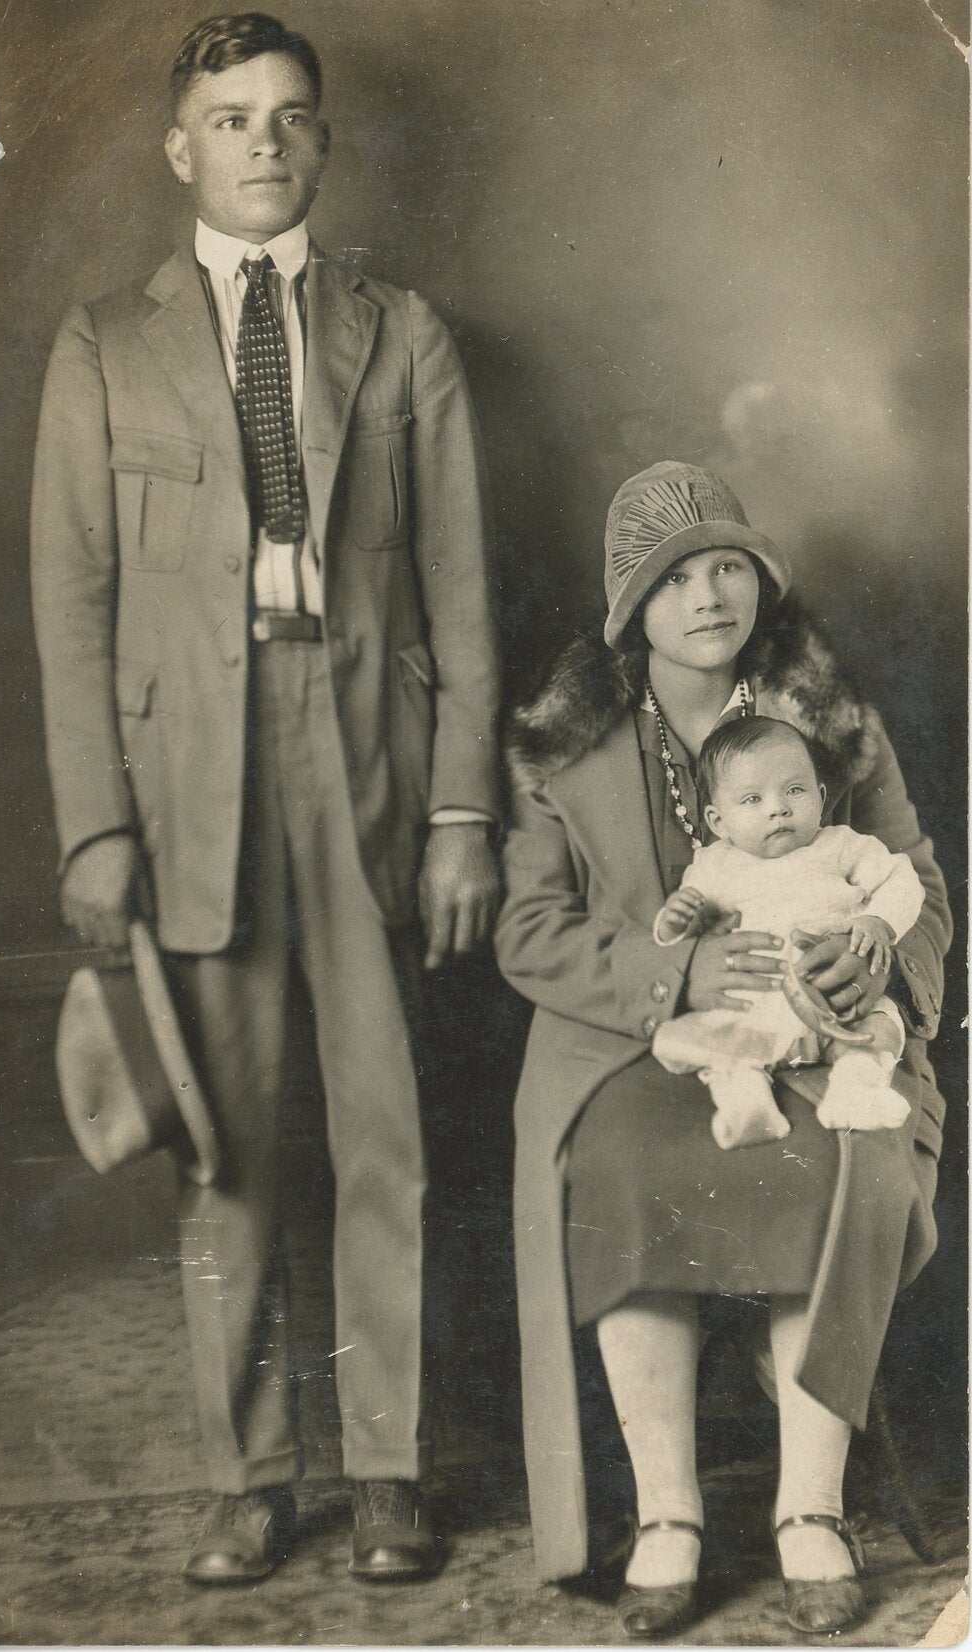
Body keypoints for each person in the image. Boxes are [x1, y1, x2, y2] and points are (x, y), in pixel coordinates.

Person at [31, 12, 501, 1586]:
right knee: (226, 1148)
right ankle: (249, 1477)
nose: (262, 143)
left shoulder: (399, 335)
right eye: (230, 119)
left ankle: (384, 1472)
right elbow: (72, 608)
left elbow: (459, 597)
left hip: (360, 753)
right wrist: (99, 825)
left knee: (385, 1137)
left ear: (322, 141)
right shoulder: (106, 342)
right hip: (187, 784)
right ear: (181, 146)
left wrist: (458, 816)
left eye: (289, 118)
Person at [495, 461, 951, 1636]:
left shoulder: (829, 718)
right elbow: (529, 928)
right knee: (618, 1168)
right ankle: (668, 1513)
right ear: (628, 611)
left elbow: (920, 882)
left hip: (827, 1034)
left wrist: (879, 954)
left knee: (848, 1157)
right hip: (636, 1042)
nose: (708, 597)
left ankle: (810, 1504)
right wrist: (670, 971)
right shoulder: (565, 745)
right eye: (674, 578)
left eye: (728, 567)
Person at [651, 715, 923, 1149]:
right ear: (718, 822)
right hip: (761, 1008)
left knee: (884, 1024)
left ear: (819, 796)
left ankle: (856, 1090)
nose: (777, 808)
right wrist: (676, 920)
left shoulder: (841, 846)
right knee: (728, 1045)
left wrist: (879, 922)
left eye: (794, 790)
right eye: (752, 799)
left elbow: (902, 879)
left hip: (840, 1004)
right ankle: (747, 1106)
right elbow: (688, 929)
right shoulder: (716, 866)